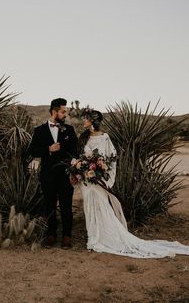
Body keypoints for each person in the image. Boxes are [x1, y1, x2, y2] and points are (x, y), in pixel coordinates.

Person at [72, 108, 189, 258]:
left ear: (93, 121)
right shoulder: (83, 137)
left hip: (100, 180)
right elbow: (79, 156)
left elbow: (112, 159)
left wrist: (105, 174)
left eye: (86, 118)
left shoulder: (105, 138)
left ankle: (103, 237)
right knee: (89, 206)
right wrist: (80, 169)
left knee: (102, 207)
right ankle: (92, 238)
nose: (84, 121)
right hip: (87, 181)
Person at [29, 98, 78, 248]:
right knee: (49, 205)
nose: (65, 114)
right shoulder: (39, 130)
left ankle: (67, 236)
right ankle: (51, 234)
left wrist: (74, 173)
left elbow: (75, 152)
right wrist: (48, 150)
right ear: (54, 112)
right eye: (63, 112)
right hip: (47, 175)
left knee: (66, 206)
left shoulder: (69, 130)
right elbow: (32, 151)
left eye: (66, 112)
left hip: (65, 175)